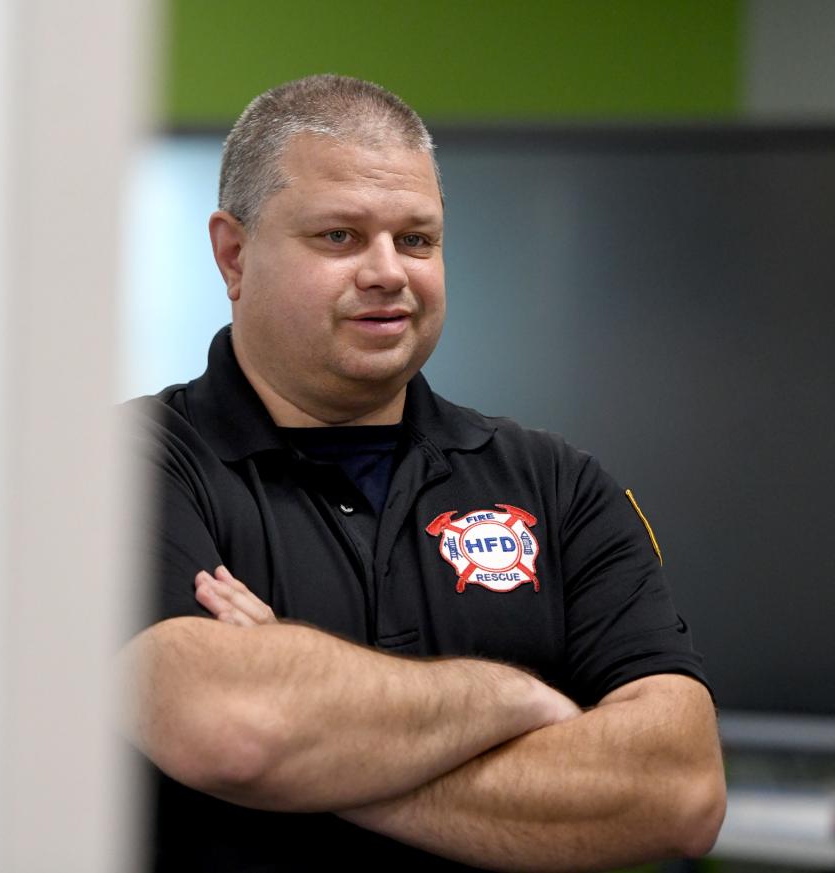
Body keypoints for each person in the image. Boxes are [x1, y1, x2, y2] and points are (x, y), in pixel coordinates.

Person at [119, 74, 726, 872]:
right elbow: (232, 727)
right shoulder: (122, 466)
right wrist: (516, 700)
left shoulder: (558, 484)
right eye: (339, 236)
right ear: (234, 254)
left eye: (416, 239)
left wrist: (315, 740)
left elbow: (679, 791)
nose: (387, 271)